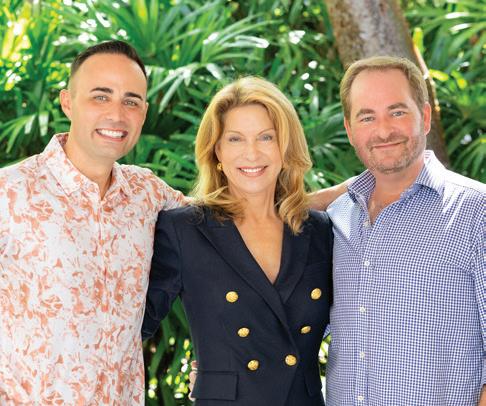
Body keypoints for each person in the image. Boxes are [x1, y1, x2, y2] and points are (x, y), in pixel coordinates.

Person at [0, 41, 185, 404]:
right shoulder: (9, 193)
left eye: (131, 101)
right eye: (101, 96)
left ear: (143, 112)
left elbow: (227, 219)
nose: (116, 114)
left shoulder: (147, 193)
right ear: (67, 102)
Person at [142, 77, 334, 405]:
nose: (252, 153)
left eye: (266, 137)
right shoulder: (184, 230)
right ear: (216, 150)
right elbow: (131, 330)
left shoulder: (320, 230)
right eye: (235, 139)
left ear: (285, 147)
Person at [325, 56, 485, 405]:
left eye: (397, 112)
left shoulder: (476, 211)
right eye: (367, 117)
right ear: (350, 130)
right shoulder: (336, 218)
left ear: (425, 117)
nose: (383, 131)